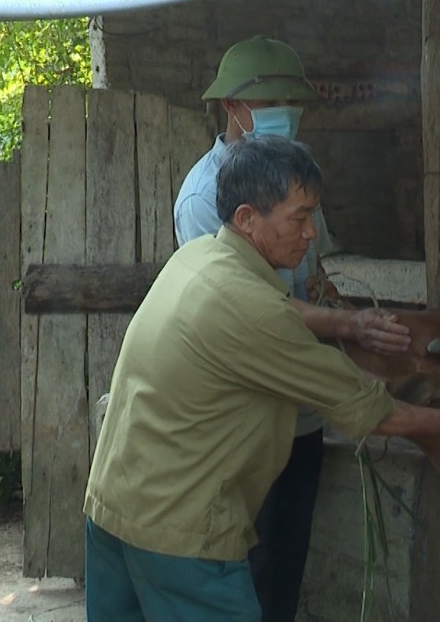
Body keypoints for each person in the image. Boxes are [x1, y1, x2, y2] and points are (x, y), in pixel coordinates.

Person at [84, 136, 440, 621]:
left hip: (114, 506)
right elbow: (366, 409)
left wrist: (346, 323)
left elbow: (271, 315)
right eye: (298, 218)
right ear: (246, 218)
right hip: (181, 535)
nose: (310, 235)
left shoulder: (197, 258)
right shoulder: (256, 312)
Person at [173, 35, 409, 622]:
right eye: (274, 101)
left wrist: (341, 310)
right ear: (233, 109)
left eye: (293, 102)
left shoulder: (294, 177)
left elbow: (316, 271)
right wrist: (349, 328)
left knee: (285, 563)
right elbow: (248, 307)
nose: (289, 114)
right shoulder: (205, 198)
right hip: (243, 412)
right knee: (244, 560)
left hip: (299, 410)